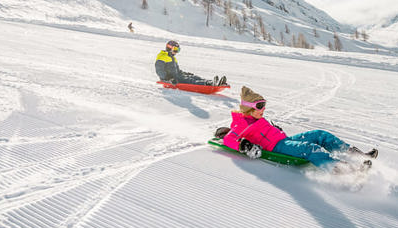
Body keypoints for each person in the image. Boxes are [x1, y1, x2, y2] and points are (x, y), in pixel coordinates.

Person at [217, 86, 376, 170]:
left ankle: (357, 155)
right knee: (310, 148)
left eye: (264, 105)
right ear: (248, 108)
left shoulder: (256, 117)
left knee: (319, 134)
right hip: (277, 147)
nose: (263, 109)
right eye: (260, 106)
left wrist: (278, 131)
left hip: (284, 140)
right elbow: (228, 139)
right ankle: (346, 171)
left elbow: (265, 133)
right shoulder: (242, 123)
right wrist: (244, 145)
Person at [155, 40, 226, 86]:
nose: (176, 52)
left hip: (177, 76)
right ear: (169, 48)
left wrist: (185, 73)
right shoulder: (162, 57)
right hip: (171, 79)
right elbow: (159, 70)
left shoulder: (173, 58)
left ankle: (212, 82)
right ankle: (209, 84)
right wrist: (169, 78)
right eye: (175, 49)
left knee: (193, 77)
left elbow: (177, 70)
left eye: (178, 50)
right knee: (189, 80)